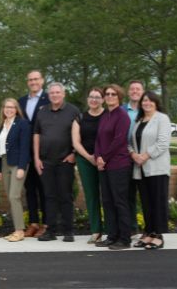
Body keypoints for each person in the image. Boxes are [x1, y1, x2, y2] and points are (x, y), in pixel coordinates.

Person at [33, 82, 80, 242]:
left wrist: (74, 153)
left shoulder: (73, 111)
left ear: (63, 94)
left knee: (65, 196)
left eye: (57, 92)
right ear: (49, 95)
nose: (55, 95)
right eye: (52, 93)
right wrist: (36, 158)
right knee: (49, 196)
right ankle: (50, 231)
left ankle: (69, 231)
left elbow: (80, 135)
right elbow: (37, 135)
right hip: (46, 162)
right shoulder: (42, 112)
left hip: (65, 161)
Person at [129, 91, 171, 250]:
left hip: (157, 168)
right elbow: (130, 141)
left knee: (158, 202)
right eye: (144, 101)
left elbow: (163, 143)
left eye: (150, 101)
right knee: (146, 203)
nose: (147, 103)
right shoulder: (139, 120)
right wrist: (133, 154)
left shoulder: (162, 118)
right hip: (140, 169)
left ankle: (158, 236)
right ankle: (148, 232)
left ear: (156, 102)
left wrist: (145, 156)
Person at [94, 84, 133, 250]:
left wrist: (104, 158)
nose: (109, 96)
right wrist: (97, 158)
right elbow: (98, 140)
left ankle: (124, 239)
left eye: (113, 94)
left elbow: (119, 141)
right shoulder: (105, 116)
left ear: (119, 97)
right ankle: (112, 236)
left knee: (120, 201)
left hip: (119, 165)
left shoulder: (122, 116)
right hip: (104, 165)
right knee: (108, 202)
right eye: (107, 94)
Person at [71, 87, 106, 243]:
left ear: (103, 100)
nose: (94, 100)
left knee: (109, 196)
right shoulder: (80, 118)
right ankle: (96, 231)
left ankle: (113, 230)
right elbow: (76, 142)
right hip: (85, 161)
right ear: (87, 99)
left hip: (107, 161)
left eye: (97, 97)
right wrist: (89, 157)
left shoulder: (109, 116)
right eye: (91, 96)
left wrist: (100, 158)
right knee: (91, 196)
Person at [0, 98, 30, 242]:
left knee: (15, 196)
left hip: (17, 164)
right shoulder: (1, 126)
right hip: (4, 162)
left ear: (16, 109)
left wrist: (22, 167)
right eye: (6, 107)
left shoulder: (22, 124)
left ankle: (20, 231)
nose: (9, 109)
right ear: (3, 109)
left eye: (12, 107)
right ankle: (16, 229)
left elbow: (25, 147)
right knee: (10, 197)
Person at [18, 70, 50, 238]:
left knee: (44, 189)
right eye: (30, 80)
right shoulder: (21, 102)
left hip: (44, 152)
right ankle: (33, 223)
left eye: (36, 79)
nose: (33, 82)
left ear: (42, 81)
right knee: (29, 189)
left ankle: (46, 223)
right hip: (26, 153)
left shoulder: (49, 99)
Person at [123, 80, 144, 238]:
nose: (135, 91)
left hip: (145, 158)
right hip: (126, 158)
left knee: (146, 194)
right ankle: (132, 227)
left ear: (142, 92)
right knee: (128, 194)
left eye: (138, 89)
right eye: (132, 89)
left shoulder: (148, 109)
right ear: (128, 92)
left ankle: (150, 228)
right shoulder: (122, 110)